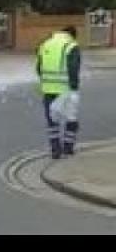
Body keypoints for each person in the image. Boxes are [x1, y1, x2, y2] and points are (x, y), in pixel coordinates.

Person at [36, 26, 81, 160]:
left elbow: (38, 67)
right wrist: (74, 87)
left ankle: (55, 150)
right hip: (66, 89)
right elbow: (73, 67)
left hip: (48, 89)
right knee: (71, 119)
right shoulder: (71, 45)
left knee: (52, 121)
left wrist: (46, 81)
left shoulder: (45, 44)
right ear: (73, 35)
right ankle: (68, 147)